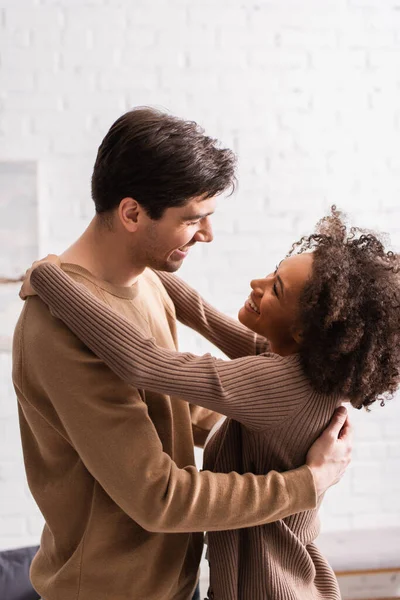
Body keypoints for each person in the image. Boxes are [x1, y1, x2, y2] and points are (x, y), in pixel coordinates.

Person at [13, 108, 352, 600]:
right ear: (132, 214)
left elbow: (167, 405)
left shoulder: (149, 281)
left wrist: (282, 425)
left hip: (178, 584)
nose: (207, 234)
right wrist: (307, 482)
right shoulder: (62, 325)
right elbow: (160, 497)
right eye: (193, 219)